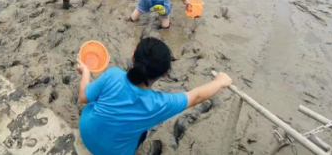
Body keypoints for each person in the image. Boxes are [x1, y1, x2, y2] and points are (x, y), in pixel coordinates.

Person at [77, 37, 233, 155]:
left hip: (86, 133)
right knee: (142, 132)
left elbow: (83, 97)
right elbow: (196, 97)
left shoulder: (113, 74)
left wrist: (85, 72)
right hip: (114, 152)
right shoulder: (159, 104)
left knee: (97, 100)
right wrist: (220, 82)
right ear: (165, 73)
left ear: (133, 58)